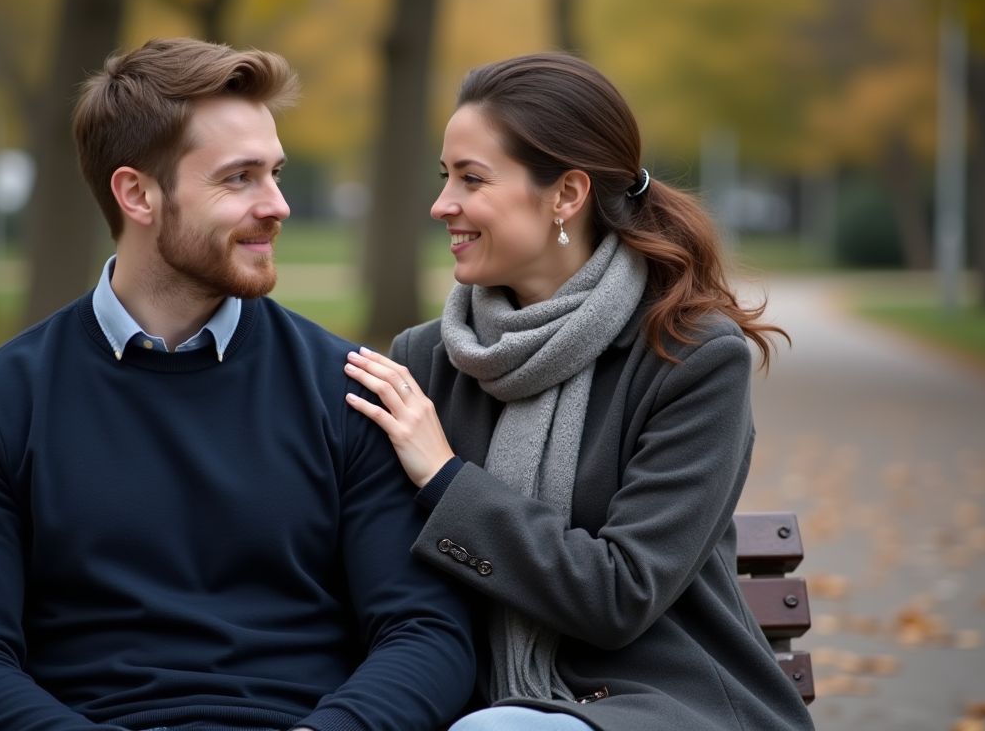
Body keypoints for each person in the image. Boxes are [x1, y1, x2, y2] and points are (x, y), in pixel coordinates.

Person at [0, 38, 475, 731]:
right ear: (137, 194)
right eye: (239, 178)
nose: (278, 206)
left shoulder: (350, 390)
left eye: (275, 173)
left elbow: (426, 633)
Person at [343, 53, 814, 731]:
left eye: (472, 179)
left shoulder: (692, 358)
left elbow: (619, 596)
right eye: (446, 176)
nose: (442, 204)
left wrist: (445, 479)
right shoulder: (423, 360)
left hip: (663, 704)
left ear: (566, 195)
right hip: (470, 701)